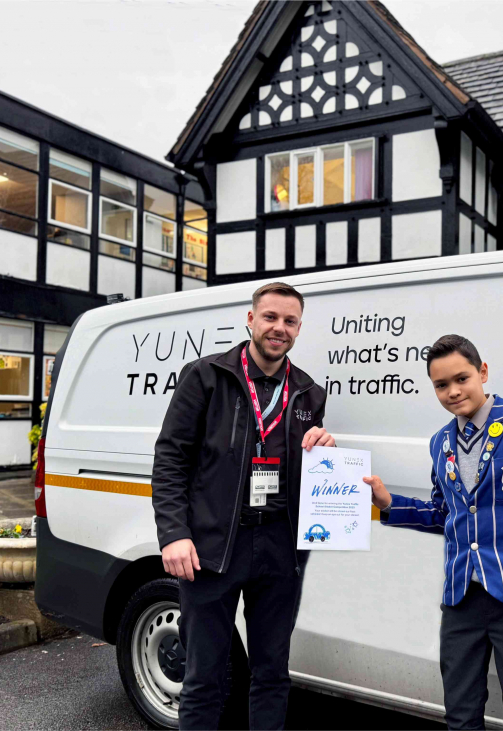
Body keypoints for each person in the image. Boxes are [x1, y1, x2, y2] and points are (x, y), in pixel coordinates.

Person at [363, 334, 503, 731]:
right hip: (461, 601)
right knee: (460, 718)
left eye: (461, 379)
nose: (453, 391)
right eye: (441, 385)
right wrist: (389, 503)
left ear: (482, 372)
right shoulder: (440, 442)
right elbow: (444, 514)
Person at [152, 282, 335, 730]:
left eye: (290, 321)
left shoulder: (308, 392)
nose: (279, 328)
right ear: (251, 319)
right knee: (204, 677)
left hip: (279, 547)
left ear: (299, 328)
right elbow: (171, 457)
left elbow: (307, 468)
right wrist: (174, 533)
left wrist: (324, 450)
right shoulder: (206, 376)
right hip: (214, 546)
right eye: (270, 317)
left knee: (272, 673)